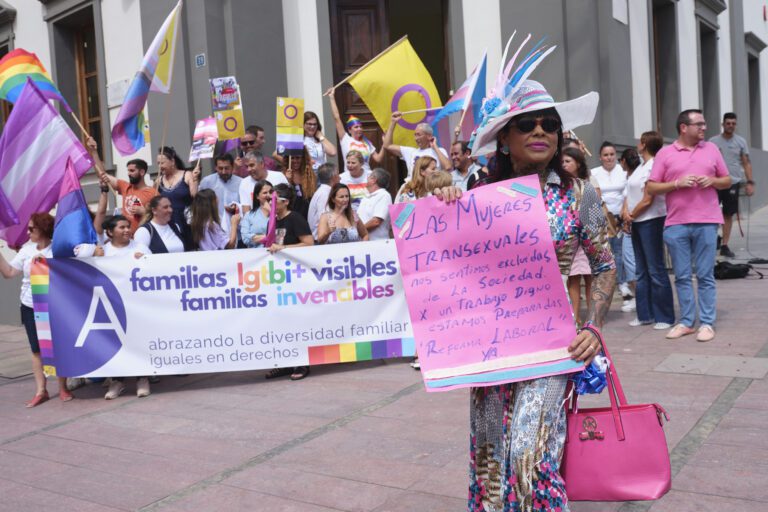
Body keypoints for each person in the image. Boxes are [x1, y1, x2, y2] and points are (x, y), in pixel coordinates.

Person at [454, 74, 612, 510]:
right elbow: (448, 263)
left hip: (553, 343)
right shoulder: (478, 196)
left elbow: (604, 266)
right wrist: (445, 203)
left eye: (550, 123)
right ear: (505, 139)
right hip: (491, 347)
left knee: (530, 455)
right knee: (490, 457)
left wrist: (593, 328)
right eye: (527, 124)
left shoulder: (582, 195)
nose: (540, 131)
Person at [647, 109, 731, 342]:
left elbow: (727, 180)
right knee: (682, 276)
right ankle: (686, 322)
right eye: (699, 124)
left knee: (705, 276)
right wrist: (676, 184)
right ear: (684, 127)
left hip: (707, 221)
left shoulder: (712, 149)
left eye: (704, 124)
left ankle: (707, 323)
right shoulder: (665, 153)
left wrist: (712, 181)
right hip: (676, 224)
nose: (704, 127)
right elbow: (652, 187)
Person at [0, 213, 73, 407]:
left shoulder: (57, 250)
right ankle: (41, 390)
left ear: (43, 229)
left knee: (57, 346)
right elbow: (9, 273)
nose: (28, 232)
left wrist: (47, 264)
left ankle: (63, 387)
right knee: (36, 349)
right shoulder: (26, 250)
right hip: (29, 306)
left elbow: (68, 274)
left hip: (54, 306)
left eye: (31, 228)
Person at [622, 131, 674, 330]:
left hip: (651, 220)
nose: (638, 143)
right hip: (636, 221)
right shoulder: (640, 167)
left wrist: (631, 215)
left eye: (640, 141)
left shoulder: (653, 166)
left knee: (655, 269)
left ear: (644, 144)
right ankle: (645, 314)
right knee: (641, 270)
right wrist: (626, 214)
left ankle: (665, 316)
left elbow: (648, 198)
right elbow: (629, 193)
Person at [96, 215, 152, 399]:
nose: (127, 230)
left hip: (137, 305)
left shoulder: (140, 248)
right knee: (115, 343)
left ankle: (142, 379)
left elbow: (155, 271)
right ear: (110, 232)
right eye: (122, 227)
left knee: (138, 341)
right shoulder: (103, 251)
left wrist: (145, 261)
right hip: (112, 304)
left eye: (128, 226)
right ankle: (117, 381)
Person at [265, 184, 314, 381]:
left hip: (296, 277)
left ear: (284, 202)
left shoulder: (295, 218)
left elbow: (309, 243)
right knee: (281, 321)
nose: (269, 204)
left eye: (272, 200)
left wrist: (284, 248)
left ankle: (302, 362)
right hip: (279, 278)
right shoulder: (273, 221)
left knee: (297, 320)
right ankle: (285, 362)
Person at [85, 137, 157, 236]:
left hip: (143, 238)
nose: (128, 174)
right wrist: (94, 152)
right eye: (128, 171)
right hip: (125, 239)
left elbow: (160, 217)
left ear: (142, 172)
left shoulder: (153, 193)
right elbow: (102, 175)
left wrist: (144, 212)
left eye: (132, 171)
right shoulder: (125, 186)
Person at [710, 112, 755, 258]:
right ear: (723, 124)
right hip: (715, 182)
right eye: (728, 123)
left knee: (728, 214)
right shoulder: (712, 142)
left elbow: (746, 162)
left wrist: (750, 182)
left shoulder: (741, 142)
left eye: (733, 123)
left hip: (733, 182)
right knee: (711, 213)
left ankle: (724, 245)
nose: (731, 126)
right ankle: (713, 239)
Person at [591, 141, 631, 302]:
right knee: (604, 253)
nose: (609, 158)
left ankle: (623, 283)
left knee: (619, 252)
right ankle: (606, 285)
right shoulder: (594, 172)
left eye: (612, 154)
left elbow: (627, 193)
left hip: (620, 217)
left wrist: (625, 212)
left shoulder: (623, 171)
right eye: (605, 155)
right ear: (600, 157)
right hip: (602, 218)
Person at [561, 147, 593, 325]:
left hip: (587, 237)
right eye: (562, 162)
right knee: (573, 277)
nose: (564, 165)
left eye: (568, 161)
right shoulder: (559, 185)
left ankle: (591, 317)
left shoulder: (586, 184)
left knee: (589, 277)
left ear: (578, 164)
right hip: (569, 237)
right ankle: (575, 317)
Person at [325, 87, 384, 172]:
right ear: (349, 130)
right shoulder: (345, 139)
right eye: (356, 127)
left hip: (366, 176)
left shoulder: (367, 143)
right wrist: (331, 97)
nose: (359, 129)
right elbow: (336, 118)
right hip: (350, 177)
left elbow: (378, 159)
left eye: (360, 126)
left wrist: (384, 144)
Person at [383, 111, 452, 177]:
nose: (416, 138)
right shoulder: (411, 152)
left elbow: (448, 167)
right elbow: (387, 145)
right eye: (415, 135)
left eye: (419, 135)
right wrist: (393, 122)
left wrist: (435, 147)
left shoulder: (440, 151)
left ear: (429, 136)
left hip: (431, 184)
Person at [156, 146, 198, 244]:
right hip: (167, 224)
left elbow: (195, 196)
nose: (159, 166)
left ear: (172, 161)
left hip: (187, 222)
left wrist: (195, 180)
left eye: (162, 163)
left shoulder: (187, 175)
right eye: (158, 163)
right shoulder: (158, 181)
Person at [617, 148, 640, 313]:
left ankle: (640, 299)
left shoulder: (635, 178)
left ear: (624, 161)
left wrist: (627, 215)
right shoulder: (629, 177)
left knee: (631, 264)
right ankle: (639, 298)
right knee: (630, 263)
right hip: (628, 225)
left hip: (632, 225)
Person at [199, 154, 243, 239]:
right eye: (220, 168)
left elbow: (245, 207)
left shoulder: (241, 183)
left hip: (236, 231)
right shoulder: (207, 182)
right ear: (215, 167)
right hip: (214, 232)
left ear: (232, 167)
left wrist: (236, 208)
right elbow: (199, 205)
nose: (223, 172)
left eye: (226, 168)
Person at [357, 167, 392, 241]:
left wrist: (358, 231)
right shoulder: (365, 197)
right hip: (363, 243)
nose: (367, 178)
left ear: (374, 180)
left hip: (377, 243)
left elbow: (376, 221)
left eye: (369, 176)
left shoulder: (384, 195)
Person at [308, 163, 340, 239]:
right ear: (333, 177)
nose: (340, 177)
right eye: (338, 174)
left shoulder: (324, 192)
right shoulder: (325, 194)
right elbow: (325, 219)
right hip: (323, 240)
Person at [284, 148, 316, 219]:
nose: (295, 161)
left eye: (298, 158)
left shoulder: (309, 175)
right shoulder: (283, 175)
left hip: (308, 216)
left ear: (303, 158)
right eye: (292, 158)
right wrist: (287, 180)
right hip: (292, 217)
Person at [240, 180, 273, 248]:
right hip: (256, 252)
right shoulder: (249, 215)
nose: (269, 195)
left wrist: (271, 211)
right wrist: (268, 237)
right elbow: (245, 238)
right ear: (257, 196)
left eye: (271, 192)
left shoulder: (279, 213)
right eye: (265, 193)